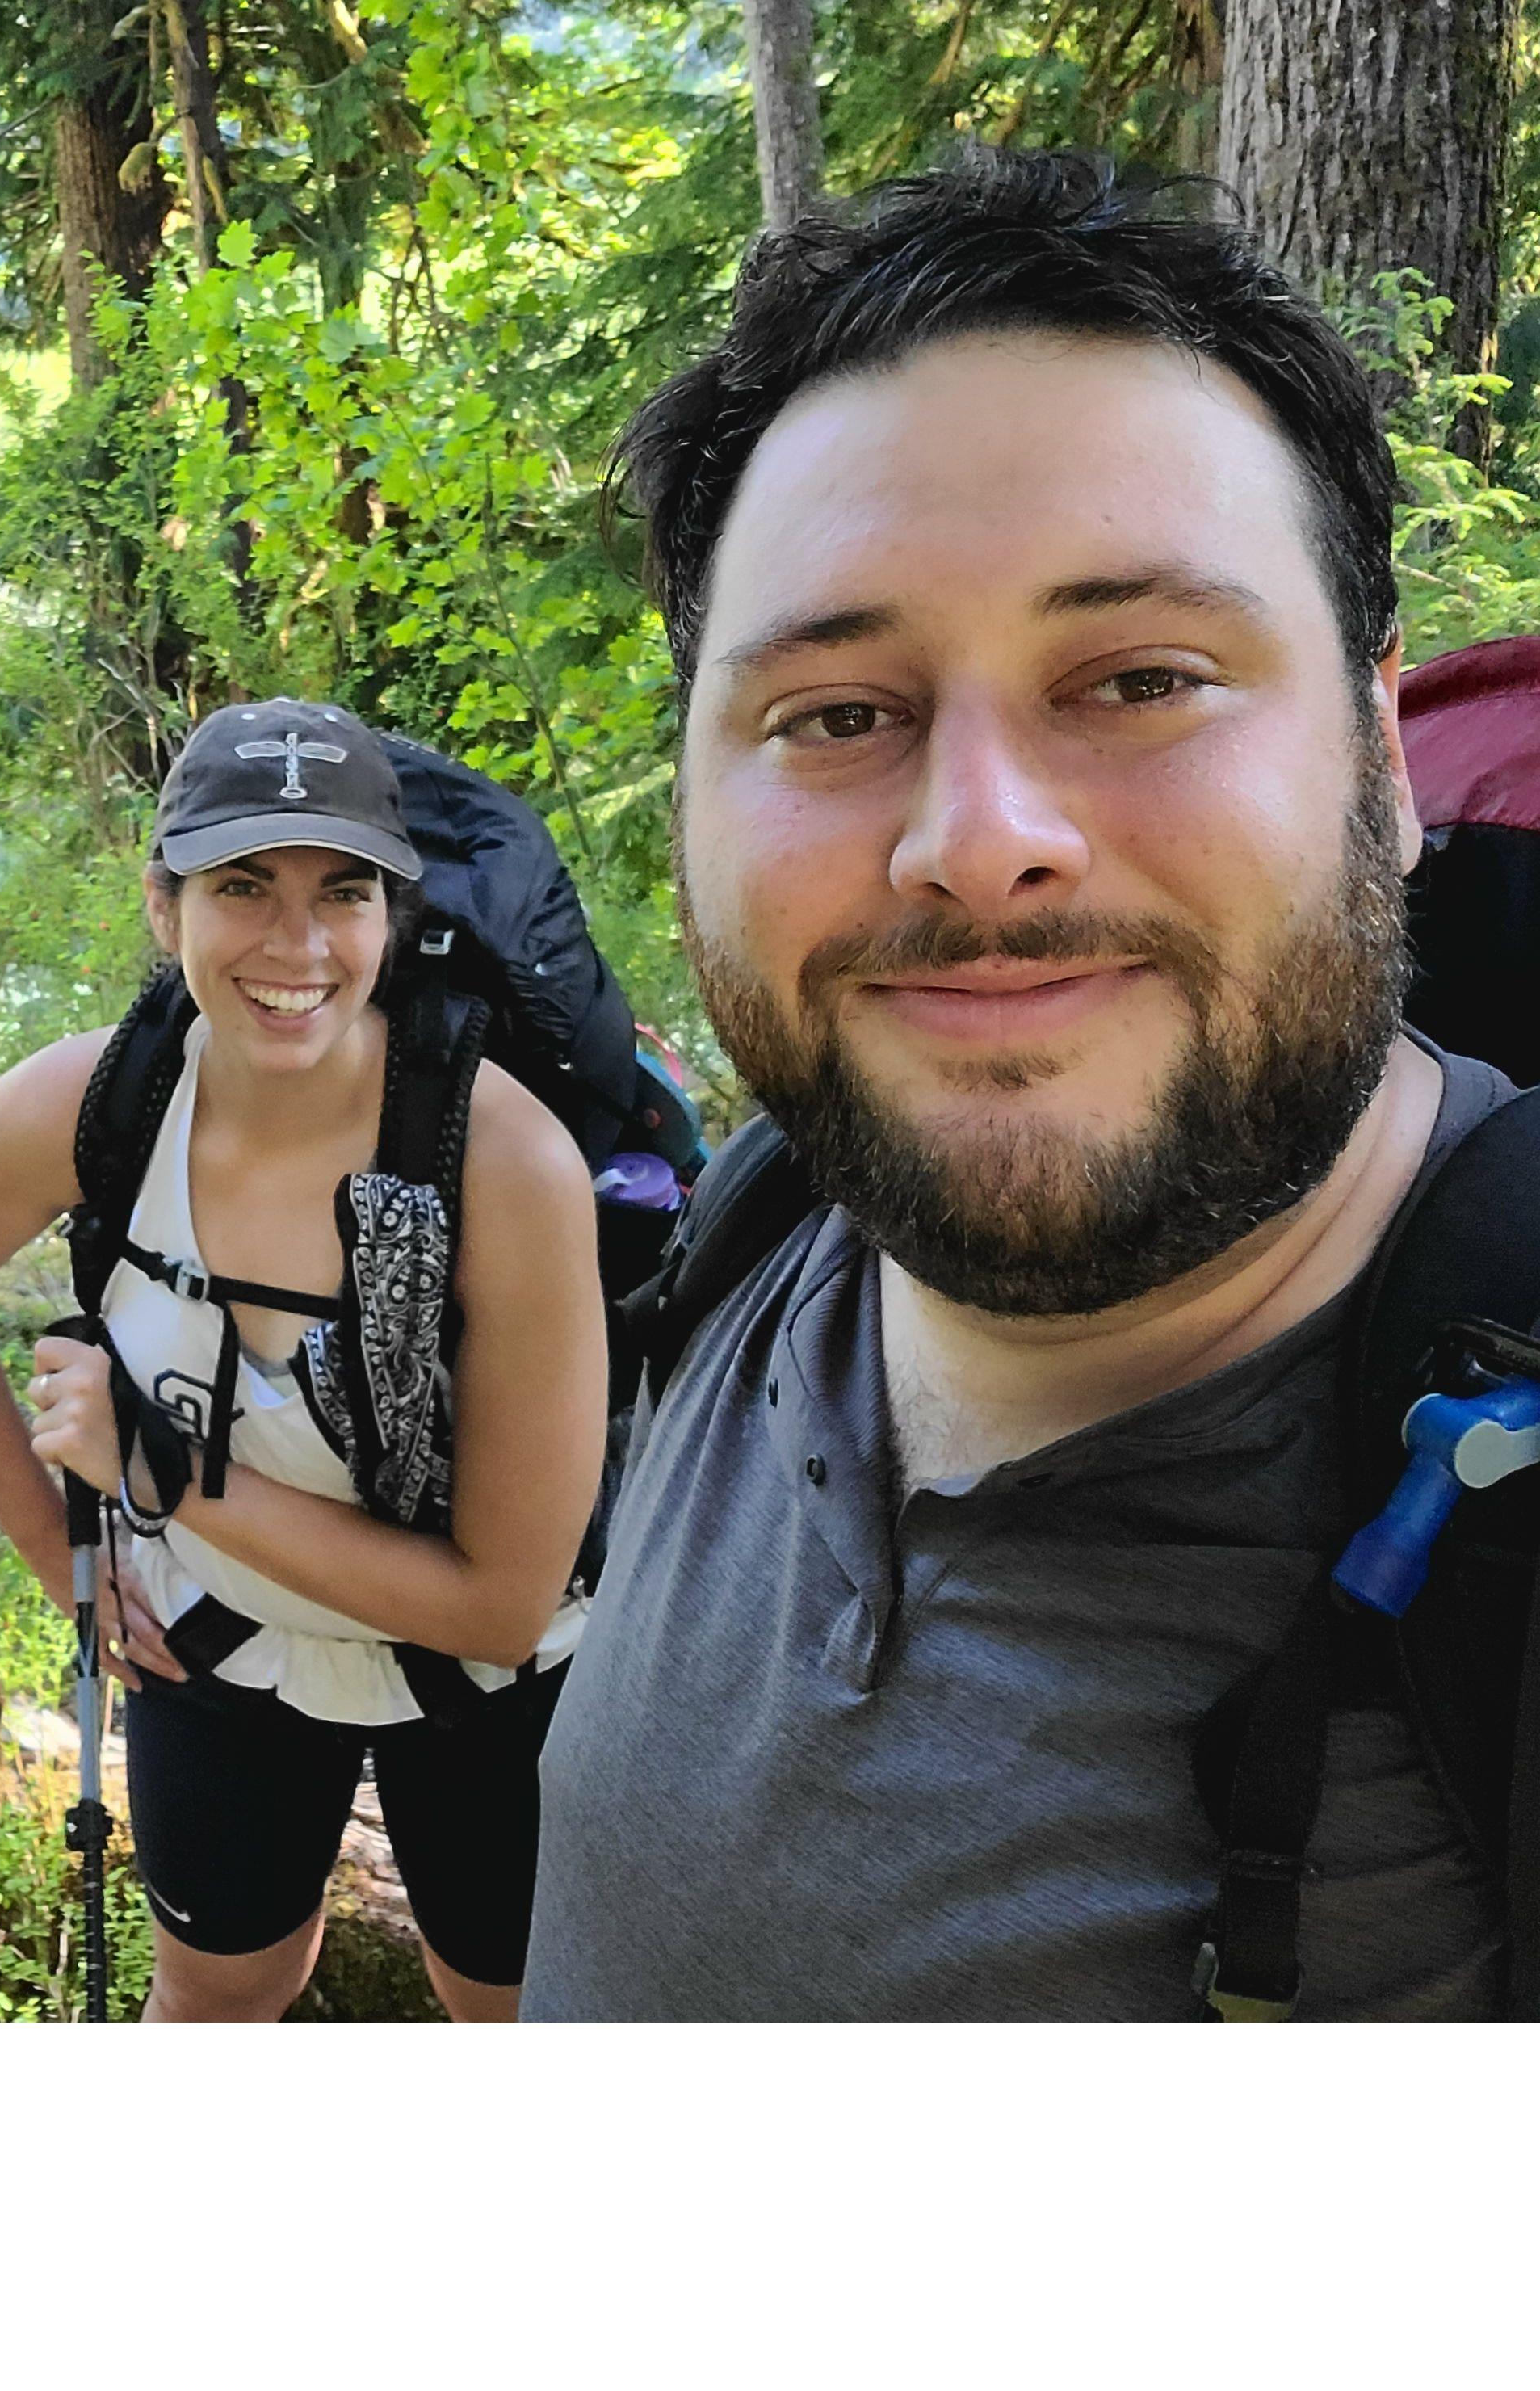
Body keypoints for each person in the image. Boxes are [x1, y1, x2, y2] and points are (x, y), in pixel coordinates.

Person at [522, 146, 1530, 2020]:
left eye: (1141, 678)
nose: (979, 846)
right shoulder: (766, 1237)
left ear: (1384, 756)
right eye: (835, 715)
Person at [0, 700, 607, 2019]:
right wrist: (59, 1557)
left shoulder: (502, 1161)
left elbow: (499, 1605)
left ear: (394, 916)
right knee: (220, 1994)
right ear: (166, 908)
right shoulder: (98, 1104)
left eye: (343, 892)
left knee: (506, 2008)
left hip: (504, 1686)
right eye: (243, 887)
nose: (297, 944)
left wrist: (157, 1470)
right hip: (213, 1647)